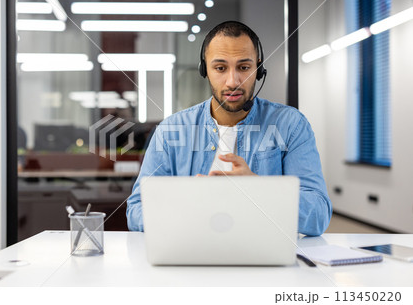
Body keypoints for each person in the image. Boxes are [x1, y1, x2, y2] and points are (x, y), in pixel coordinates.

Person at [126, 21, 332, 236]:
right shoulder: (171, 130)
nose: (233, 81)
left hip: (263, 257)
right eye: (220, 68)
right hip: (193, 254)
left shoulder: (291, 125)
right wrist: (186, 206)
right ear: (204, 69)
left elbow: (317, 215)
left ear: (258, 69)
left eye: (244, 67)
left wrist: (258, 189)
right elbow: (137, 211)